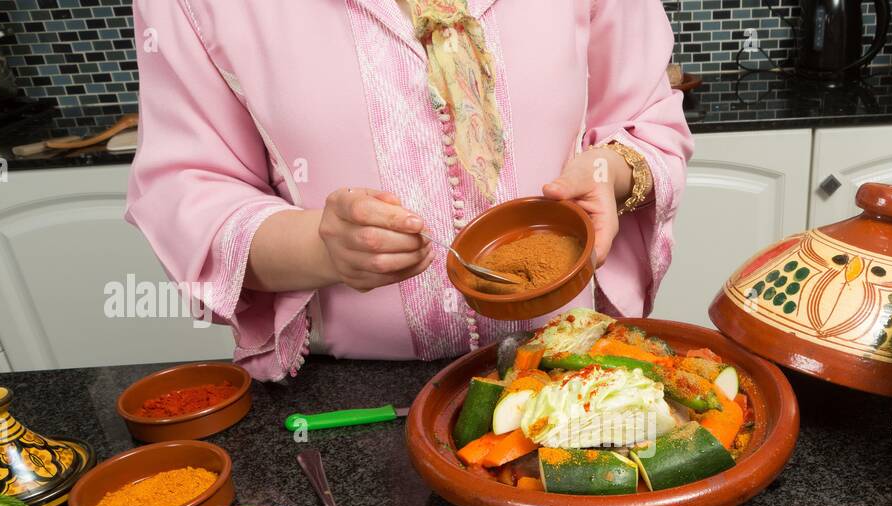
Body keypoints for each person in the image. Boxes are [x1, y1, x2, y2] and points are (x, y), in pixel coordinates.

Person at [126, 0, 693, 380]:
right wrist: (322, 247)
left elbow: (646, 119)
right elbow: (187, 190)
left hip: (572, 365)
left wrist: (610, 173)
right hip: (352, 393)